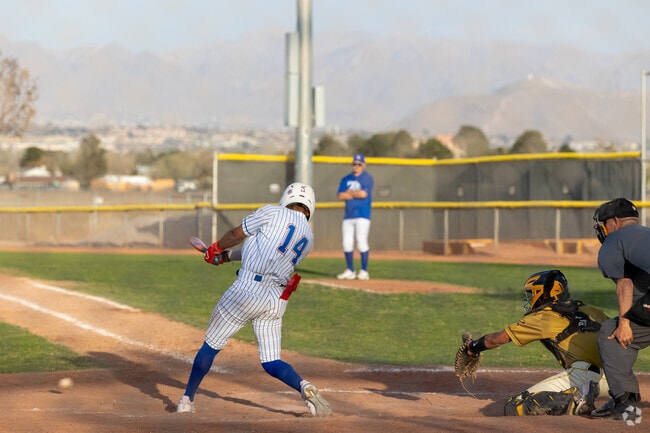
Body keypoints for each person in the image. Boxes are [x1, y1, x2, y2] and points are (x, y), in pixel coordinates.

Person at [176, 182, 333, 417]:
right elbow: (262, 250)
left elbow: (237, 235)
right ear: (310, 207)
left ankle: (187, 399)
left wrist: (216, 248)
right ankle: (304, 386)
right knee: (271, 361)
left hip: (247, 290)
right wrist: (224, 257)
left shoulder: (271, 211)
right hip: (276, 299)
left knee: (211, 345)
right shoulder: (308, 237)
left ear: (286, 198)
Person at [463, 269, 609, 416]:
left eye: (532, 293)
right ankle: (620, 398)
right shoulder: (591, 310)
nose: (530, 298)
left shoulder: (544, 317)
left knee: (516, 405)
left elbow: (497, 339)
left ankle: (578, 401)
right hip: (613, 379)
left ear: (543, 293)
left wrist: (472, 347)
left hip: (584, 376)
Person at [590, 197, 650, 421]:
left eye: (604, 224)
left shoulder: (614, 240)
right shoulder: (645, 234)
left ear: (615, 222)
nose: (604, 229)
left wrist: (624, 324)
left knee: (610, 332)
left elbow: (625, 284)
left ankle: (626, 404)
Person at [336, 153, 374, 280]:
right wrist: (354, 193)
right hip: (348, 215)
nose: (356, 166)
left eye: (359, 164)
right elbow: (340, 195)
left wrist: (350, 192)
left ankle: (364, 271)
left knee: (361, 242)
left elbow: (363, 194)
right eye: (355, 164)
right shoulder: (346, 178)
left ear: (363, 165)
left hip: (362, 214)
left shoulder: (367, 178)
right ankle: (350, 270)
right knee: (347, 243)